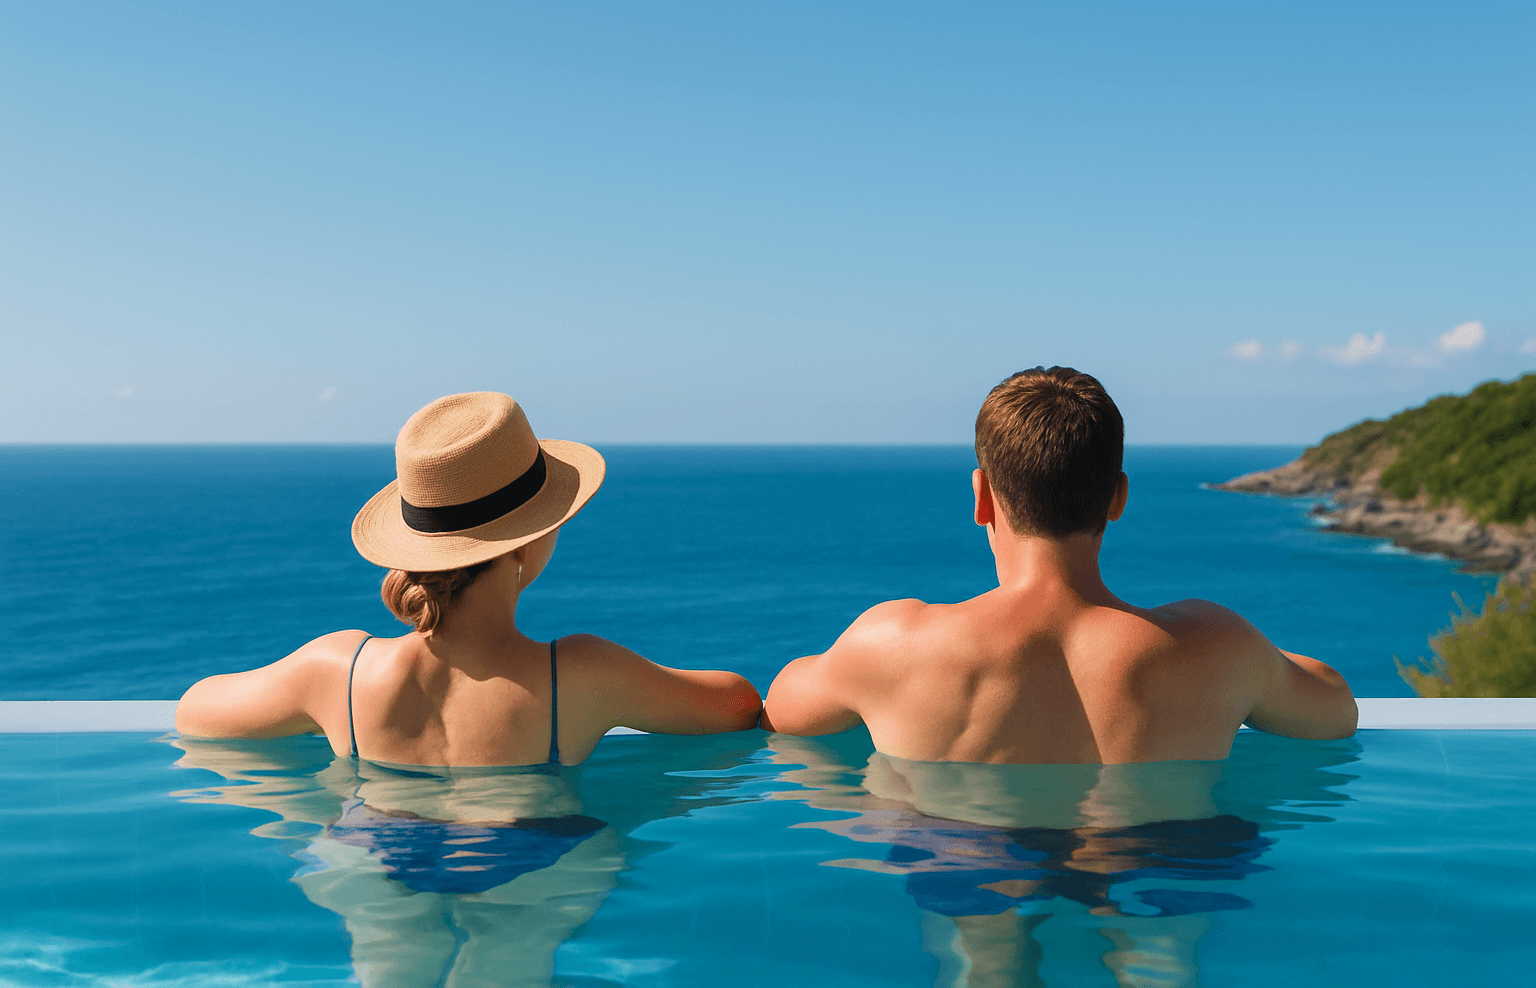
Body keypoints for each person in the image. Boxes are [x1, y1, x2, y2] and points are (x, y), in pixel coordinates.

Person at [761, 366, 1356, 763]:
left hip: (963, 849)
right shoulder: (1217, 645)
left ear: (982, 497)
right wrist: (1255, 662)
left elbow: (781, 707)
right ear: (1118, 497)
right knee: (1164, 927)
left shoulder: (894, 643)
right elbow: (1334, 712)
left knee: (971, 891)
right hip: (1161, 848)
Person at [178, 391, 762, 765]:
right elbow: (735, 705)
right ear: (532, 540)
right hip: (524, 855)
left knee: (387, 959)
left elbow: (196, 712)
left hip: (371, 849)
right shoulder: (581, 675)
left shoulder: (336, 672)